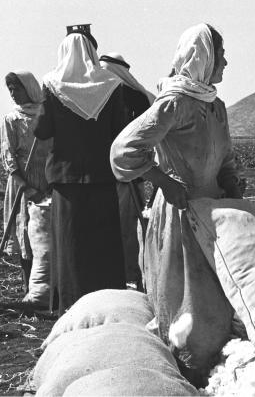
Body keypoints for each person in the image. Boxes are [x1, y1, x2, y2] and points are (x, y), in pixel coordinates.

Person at [111, 24, 240, 385]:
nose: (226, 61)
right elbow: (124, 150)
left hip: (212, 212)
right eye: (221, 53)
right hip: (180, 214)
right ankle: (180, 377)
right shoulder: (175, 104)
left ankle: (211, 371)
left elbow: (225, 156)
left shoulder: (216, 106)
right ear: (204, 57)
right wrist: (164, 181)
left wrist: (230, 184)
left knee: (216, 298)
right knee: (187, 302)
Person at [33, 29, 129, 315]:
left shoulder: (52, 85)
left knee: (70, 244)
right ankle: (108, 304)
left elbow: (42, 129)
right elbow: (120, 130)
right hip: (101, 175)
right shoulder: (111, 84)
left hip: (67, 178)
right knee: (102, 241)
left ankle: (71, 305)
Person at [100, 52, 156, 287]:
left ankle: (130, 275)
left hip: (126, 173)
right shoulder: (139, 95)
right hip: (121, 172)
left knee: (127, 226)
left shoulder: (133, 97)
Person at [1, 71, 52, 294]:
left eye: (16, 89)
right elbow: (8, 155)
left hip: (48, 180)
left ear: (29, 88)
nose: (12, 94)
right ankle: (28, 290)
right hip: (22, 183)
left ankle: (48, 289)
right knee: (25, 236)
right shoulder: (11, 120)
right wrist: (24, 185)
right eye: (10, 90)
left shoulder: (46, 116)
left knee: (45, 234)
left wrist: (51, 183)